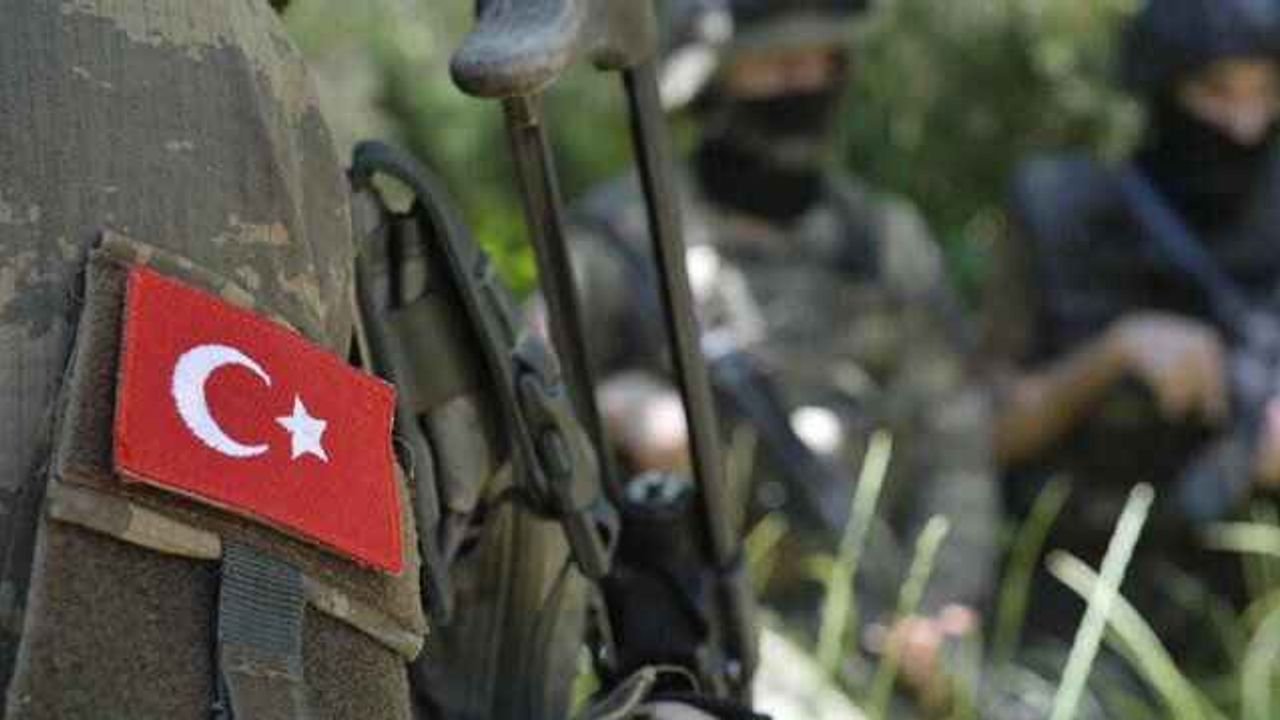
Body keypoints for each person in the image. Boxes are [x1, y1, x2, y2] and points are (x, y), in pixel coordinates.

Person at [562, 0, 998, 706]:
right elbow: (525, 413)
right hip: (686, 631)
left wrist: (941, 609)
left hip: (876, 624)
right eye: (777, 62)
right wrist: (619, 408)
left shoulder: (884, 242)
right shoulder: (618, 242)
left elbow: (954, 448)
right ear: (710, 81)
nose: (805, 82)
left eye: (822, 60)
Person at [986, 0, 1280, 668]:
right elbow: (979, 429)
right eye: (1218, 92)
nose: (1246, 123)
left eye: (1267, 93)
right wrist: (1111, 356)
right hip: (1079, 617)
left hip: (1253, 625)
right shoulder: (1068, 214)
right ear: (1164, 89)